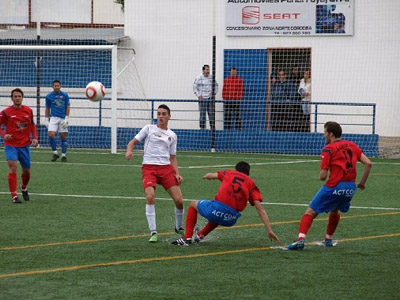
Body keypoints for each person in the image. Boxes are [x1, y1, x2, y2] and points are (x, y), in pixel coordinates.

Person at [287, 121, 372, 250]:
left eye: (325, 133)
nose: (324, 136)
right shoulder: (352, 145)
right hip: (350, 188)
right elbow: (368, 163)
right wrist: (362, 183)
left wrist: (320, 174)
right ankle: (328, 239)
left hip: (335, 186)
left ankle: (300, 240)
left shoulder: (328, 149)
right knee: (334, 209)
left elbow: (323, 176)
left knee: (310, 212)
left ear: (331, 134)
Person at [172, 161, 280, 246]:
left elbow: (212, 175)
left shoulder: (229, 173)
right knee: (218, 215)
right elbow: (260, 209)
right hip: (231, 219)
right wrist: (269, 230)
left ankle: (187, 238)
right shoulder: (251, 183)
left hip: (216, 210)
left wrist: (207, 176)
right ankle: (200, 236)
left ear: (236, 169)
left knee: (193, 204)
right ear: (248, 173)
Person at [125, 104, 185, 243]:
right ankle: (153, 232)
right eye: (158, 114)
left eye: (164, 114)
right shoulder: (149, 129)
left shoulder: (172, 135)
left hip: (165, 169)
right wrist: (129, 151)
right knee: (150, 196)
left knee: (179, 201)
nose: (161, 116)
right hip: (149, 168)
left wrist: (177, 173)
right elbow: (132, 143)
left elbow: (173, 158)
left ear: (169, 116)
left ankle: (178, 226)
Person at [0, 88, 38, 203]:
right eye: (15, 96)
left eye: (19, 96)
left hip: (24, 146)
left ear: (22, 97)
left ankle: (23, 187)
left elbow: (32, 125)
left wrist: (35, 138)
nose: (17, 98)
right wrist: (3, 134)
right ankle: (14, 196)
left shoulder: (28, 111)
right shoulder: (6, 112)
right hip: (11, 145)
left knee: (26, 172)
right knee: (13, 167)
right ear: (12, 98)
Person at [45, 80, 70, 162]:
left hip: (62, 118)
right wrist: (46, 120)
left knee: (63, 136)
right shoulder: (49, 96)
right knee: (51, 135)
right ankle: (55, 153)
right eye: (55, 86)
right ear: (52, 87)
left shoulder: (65, 95)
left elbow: (68, 107)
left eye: (58, 85)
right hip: (53, 118)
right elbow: (47, 108)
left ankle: (63, 155)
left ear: (60, 86)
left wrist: (66, 119)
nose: (56, 87)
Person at [193, 64, 219, 130]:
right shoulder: (198, 78)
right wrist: (198, 95)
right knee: (202, 115)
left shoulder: (212, 77)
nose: (208, 71)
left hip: (210, 99)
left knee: (211, 114)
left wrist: (214, 93)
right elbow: (195, 87)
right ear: (203, 70)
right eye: (207, 69)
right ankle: (202, 129)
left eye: (209, 69)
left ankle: (212, 129)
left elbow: (216, 85)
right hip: (202, 99)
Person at [222, 66, 244, 130]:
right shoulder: (227, 80)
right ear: (230, 72)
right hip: (228, 101)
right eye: (232, 71)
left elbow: (241, 90)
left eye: (234, 71)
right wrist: (224, 98)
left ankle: (238, 129)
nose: (233, 72)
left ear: (236, 72)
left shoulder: (239, 80)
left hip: (236, 101)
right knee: (228, 116)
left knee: (237, 116)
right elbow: (224, 89)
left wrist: (238, 98)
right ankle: (227, 129)